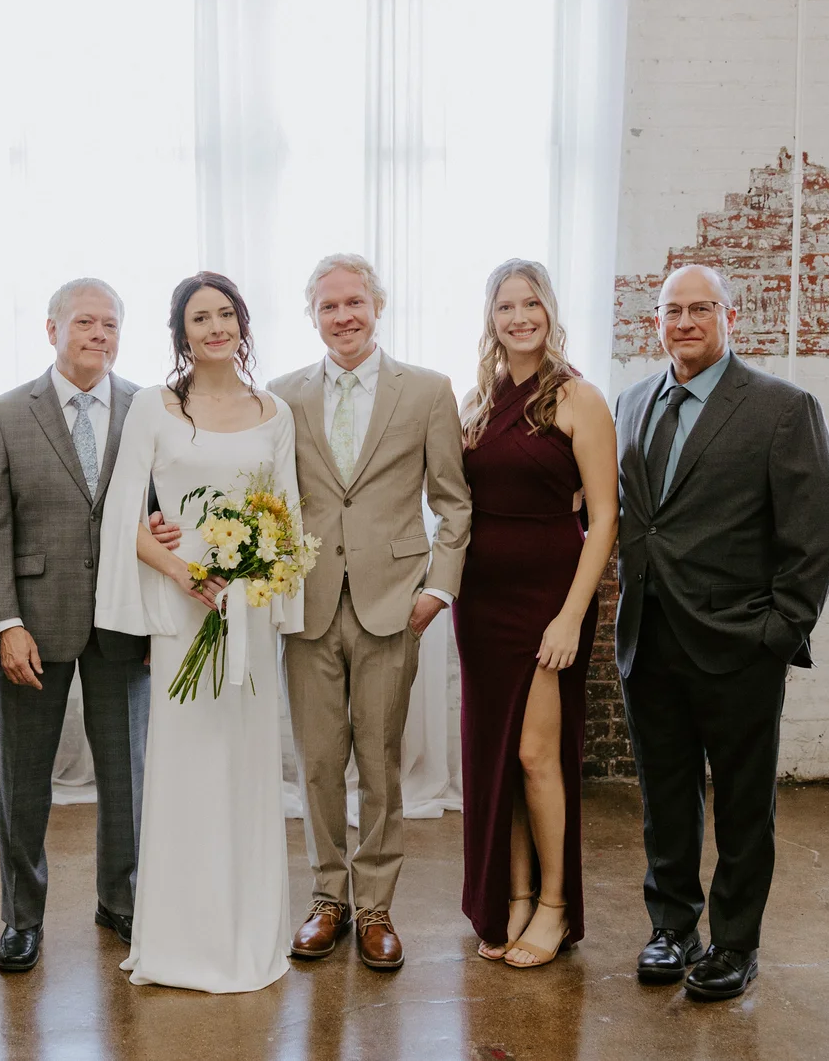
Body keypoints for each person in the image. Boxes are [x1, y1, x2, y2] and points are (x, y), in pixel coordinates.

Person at [615, 264, 829, 1000]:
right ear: (656, 321)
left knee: (745, 805)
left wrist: (778, 632)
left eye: (699, 308)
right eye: (670, 310)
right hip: (649, 638)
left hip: (739, 645)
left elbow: (814, 532)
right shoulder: (631, 403)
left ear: (730, 317)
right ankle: (672, 927)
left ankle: (735, 943)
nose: (683, 321)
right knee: (666, 796)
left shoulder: (782, 408)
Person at [95, 272, 299, 993]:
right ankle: (180, 939)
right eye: (198, 317)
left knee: (243, 775)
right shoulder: (156, 406)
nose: (214, 327)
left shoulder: (274, 412)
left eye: (225, 315)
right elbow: (125, 517)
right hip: (182, 619)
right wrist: (184, 575)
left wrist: (262, 587)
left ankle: (245, 932)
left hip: (244, 616)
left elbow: (287, 519)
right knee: (184, 774)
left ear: (243, 324)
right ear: (181, 333)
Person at [0, 277, 180, 974]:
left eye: (110, 324)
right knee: (24, 781)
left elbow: (160, 518)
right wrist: (5, 623)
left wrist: (158, 620)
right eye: (85, 322)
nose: (99, 334)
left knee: (126, 777)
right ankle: (21, 918)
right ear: (52, 329)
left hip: (124, 622)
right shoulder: (3, 416)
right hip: (35, 622)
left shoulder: (147, 409)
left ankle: (119, 900)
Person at [268, 254, 471, 970]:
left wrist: (437, 588)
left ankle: (377, 905)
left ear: (377, 307)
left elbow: (453, 501)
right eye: (330, 307)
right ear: (314, 316)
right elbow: (265, 497)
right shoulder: (281, 396)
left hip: (395, 606)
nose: (344, 316)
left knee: (381, 763)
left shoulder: (426, 391)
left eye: (355, 302)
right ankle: (328, 899)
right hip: (308, 605)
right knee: (318, 763)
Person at [454, 260, 618, 969]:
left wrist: (571, 617)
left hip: (548, 599)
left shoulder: (580, 398)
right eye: (504, 308)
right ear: (491, 320)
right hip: (481, 600)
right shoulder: (478, 401)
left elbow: (605, 519)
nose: (519, 318)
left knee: (537, 757)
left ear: (550, 311)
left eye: (530, 304)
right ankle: (514, 898)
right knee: (500, 761)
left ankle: (555, 906)